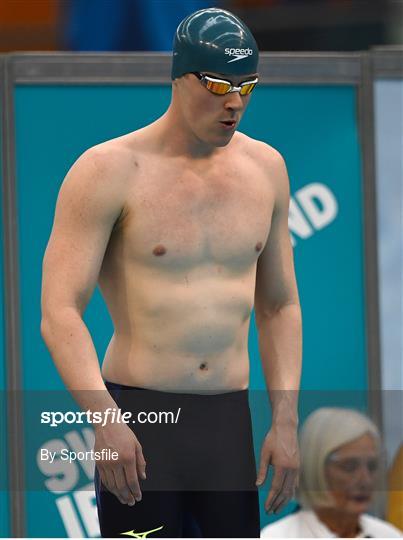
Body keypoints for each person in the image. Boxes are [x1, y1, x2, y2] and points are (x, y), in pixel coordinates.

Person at [41, 7, 302, 538]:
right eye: (218, 84)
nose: (235, 102)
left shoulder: (267, 169)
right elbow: (59, 311)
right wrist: (104, 417)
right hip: (142, 418)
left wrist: (286, 419)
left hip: (229, 421)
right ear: (180, 78)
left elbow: (279, 305)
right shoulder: (108, 170)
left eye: (247, 86)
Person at [261, 408, 403, 538]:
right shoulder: (277, 536)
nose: (365, 480)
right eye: (349, 466)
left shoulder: (389, 535)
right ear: (315, 468)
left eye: (372, 466)